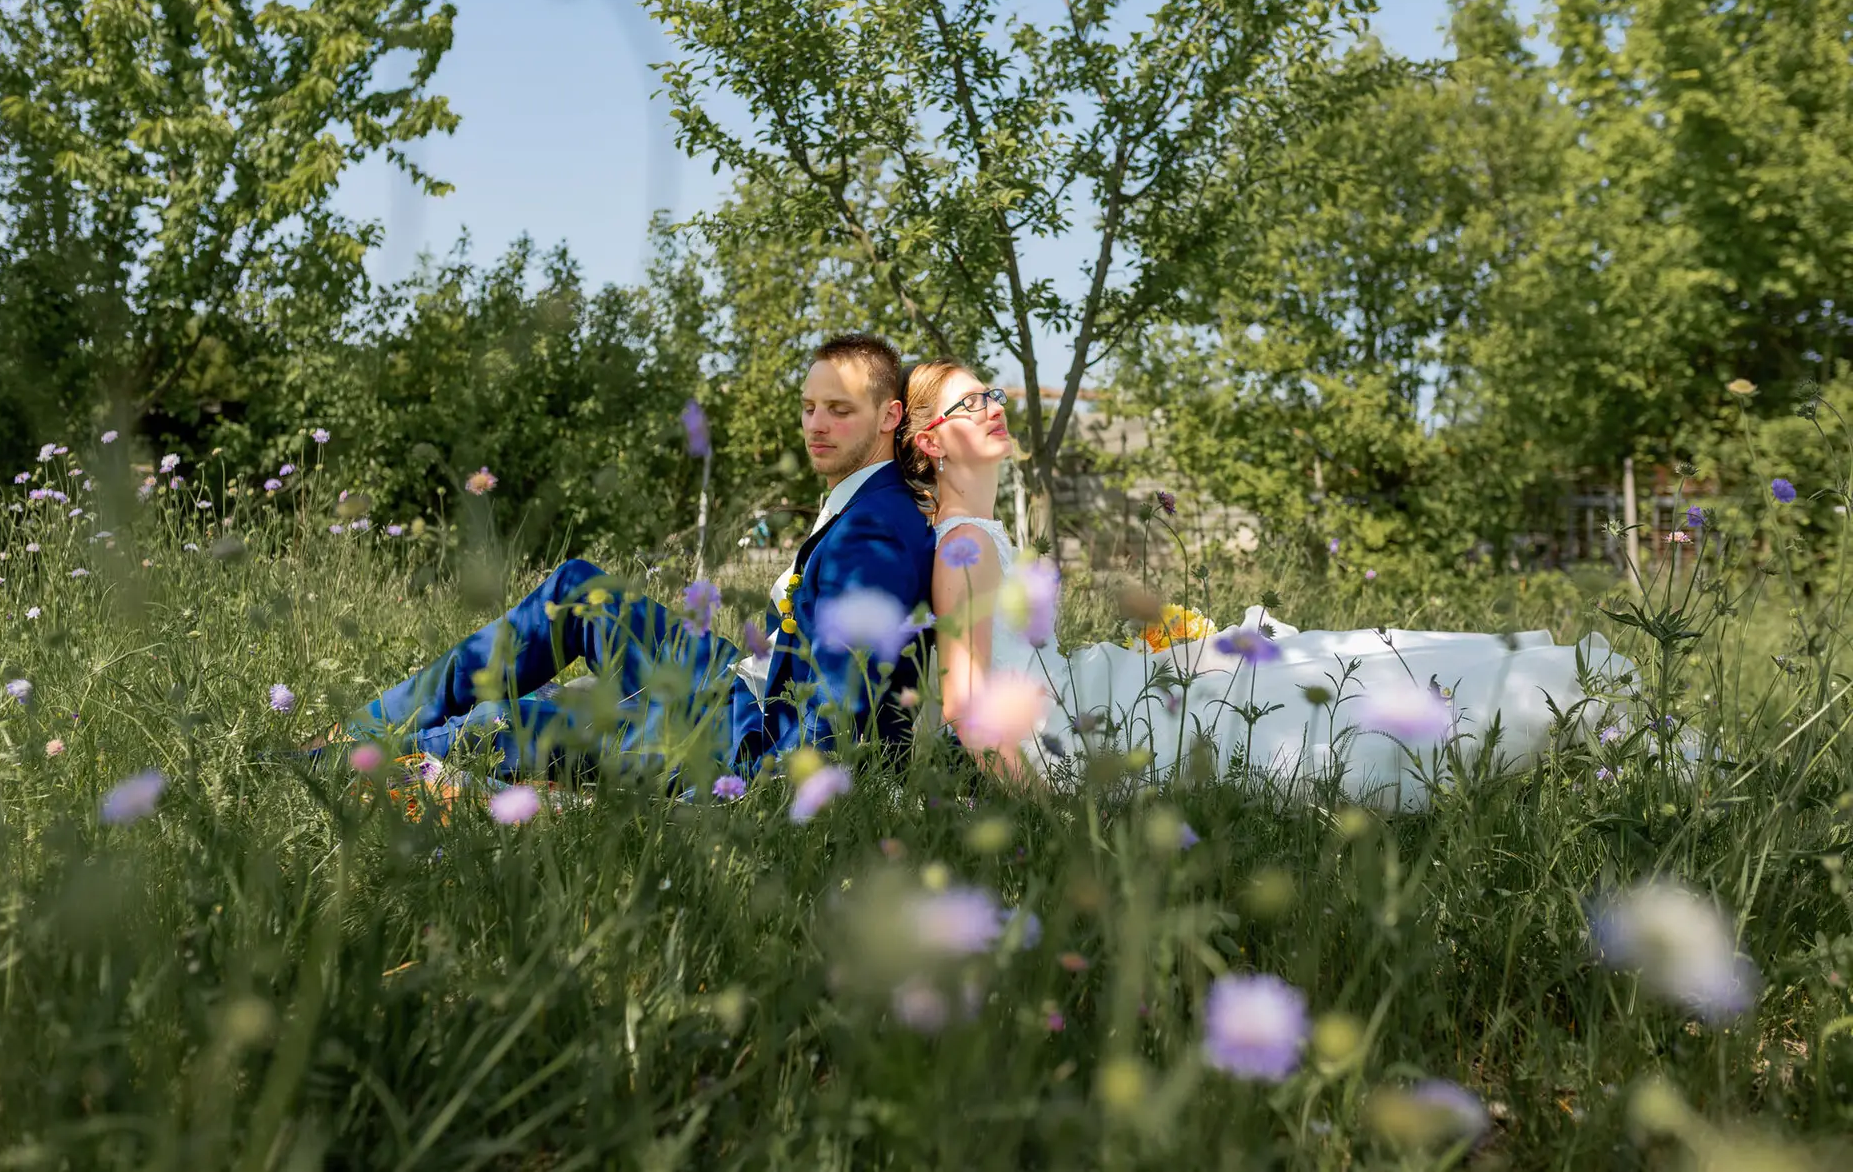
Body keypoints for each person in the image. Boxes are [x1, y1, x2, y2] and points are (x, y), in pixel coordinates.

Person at [895, 358, 1638, 812]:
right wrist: (1050, 808)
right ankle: (1543, 696)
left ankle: (1540, 695)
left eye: (992, 392)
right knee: (1299, 708)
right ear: (930, 442)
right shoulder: (963, 543)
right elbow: (966, 708)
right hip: (1077, 730)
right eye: (970, 404)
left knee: (1308, 659)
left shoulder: (979, 535)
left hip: (1095, 693)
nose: (993, 406)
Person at [314, 334, 937, 794]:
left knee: (511, 728)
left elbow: (832, 715)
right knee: (579, 588)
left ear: (890, 416)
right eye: (808, 407)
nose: (816, 426)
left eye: (840, 410)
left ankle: (344, 760)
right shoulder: (867, 500)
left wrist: (739, 788)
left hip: (747, 733)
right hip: (740, 678)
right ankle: (371, 725)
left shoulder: (877, 533)